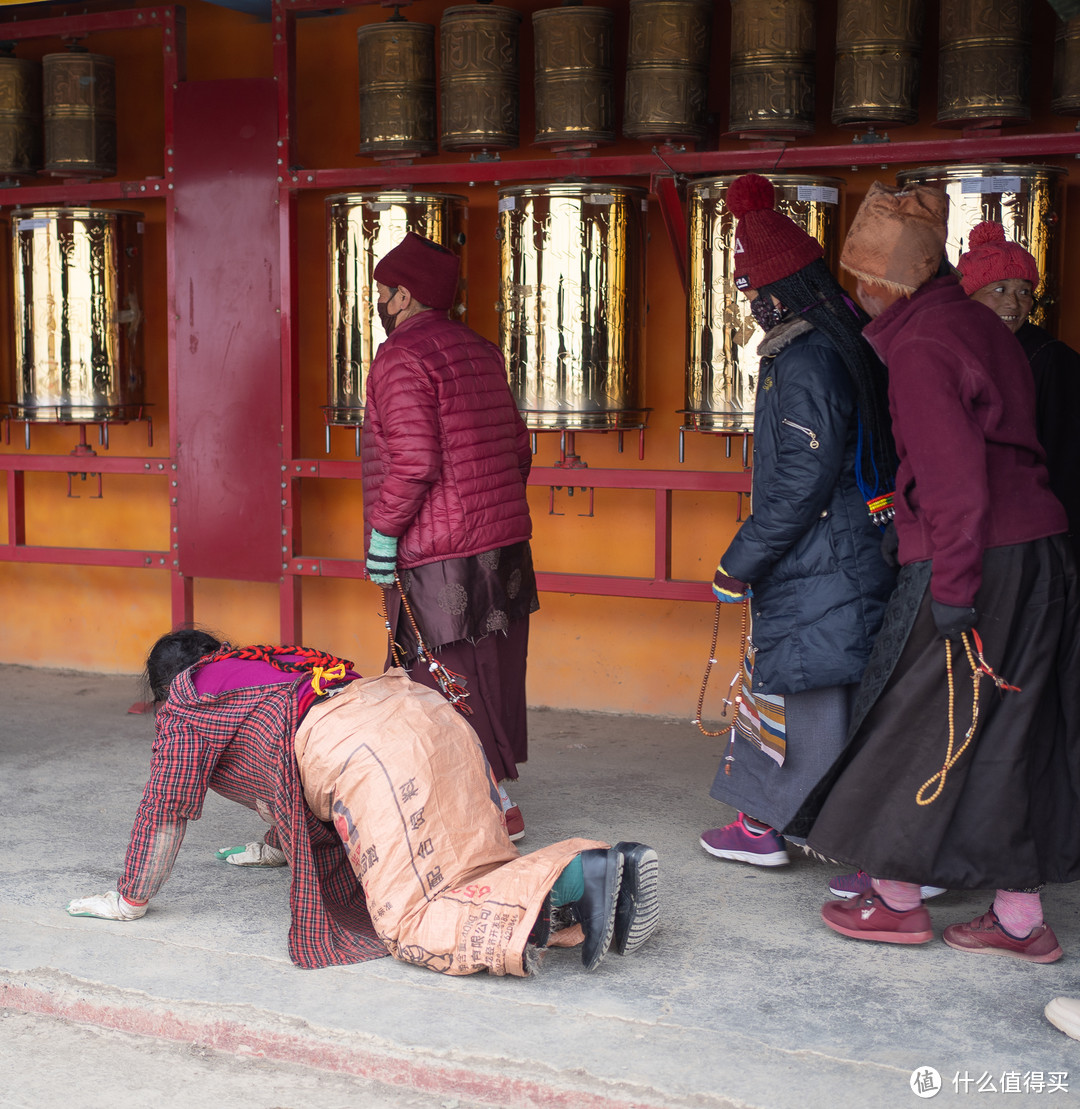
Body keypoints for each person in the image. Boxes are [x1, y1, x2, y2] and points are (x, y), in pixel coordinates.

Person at [808, 181, 1080, 962]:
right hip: (1038, 553)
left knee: (924, 719)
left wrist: (955, 590)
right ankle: (1020, 919)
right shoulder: (970, 321)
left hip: (979, 558)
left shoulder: (921, 348)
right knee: (1007, 729)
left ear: (875, 283)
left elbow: (956, 483)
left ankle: (895, 900)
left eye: (858, 283)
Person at [66, 630, 660, 976]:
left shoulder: (187, 703)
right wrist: (278, 847)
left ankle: (580, 876)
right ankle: (602, 893)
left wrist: (129, 898)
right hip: (425, 716)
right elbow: (279, 758)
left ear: (165, 685)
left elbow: (164, 808)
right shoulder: (268, 663)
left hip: (369, 753)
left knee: (409, 921)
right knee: (469, 863)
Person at [698, 174, 897, 868]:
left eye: (753, 291)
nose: (751, 305)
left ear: (781, 290)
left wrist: (740, 559)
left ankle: (771, 827)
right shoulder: (847, 339)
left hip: (822, 556)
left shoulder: (805, 357)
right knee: (821, 691)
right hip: (850, 547)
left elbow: (802, 480)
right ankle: (782, 823)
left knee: (802, 692)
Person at [363, 232, 535, 841]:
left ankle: (486, 806)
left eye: (380, 292)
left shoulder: (400, 360)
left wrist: (384, 537)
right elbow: (518, 448)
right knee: (491, 673)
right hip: (503, 547)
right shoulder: (481, 351)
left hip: (440, 557)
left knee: (440, 681)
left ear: (402, 296)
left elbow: (413, 462)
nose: (377, 302)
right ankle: (491, 793)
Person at [956, 220, 1080, 563]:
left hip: (1034, 536)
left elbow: (1066, 462)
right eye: (999, 289)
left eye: (1024, 291)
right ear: (969, 294)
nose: (1014, 302)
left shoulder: (1051, 359)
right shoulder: (955, 351)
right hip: (973, 529)